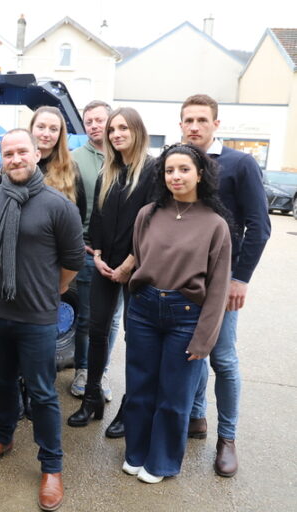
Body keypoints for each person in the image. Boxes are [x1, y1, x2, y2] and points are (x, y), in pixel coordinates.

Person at [0, 129, 84, 512]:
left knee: (42, 392)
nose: (16, 158)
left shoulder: (58, 205)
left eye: (22, 151)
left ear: (37, 154)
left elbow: (72, 262)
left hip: (37, 317)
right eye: (8, 153)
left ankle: (52, 466)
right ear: (2, 159)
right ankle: (2, 437)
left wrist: (50, 292)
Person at [122, 143, 231, 483]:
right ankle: (136, 453)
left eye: (184, 169)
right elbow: (140, 258)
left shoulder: (216, 225)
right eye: (169, 170)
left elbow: (218, 288)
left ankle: (162, 462)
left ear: (200, 174)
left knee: (174, 395)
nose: (176, 176)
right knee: (139, 388)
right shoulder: (148, 215)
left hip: (186, 316)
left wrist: (205, 339)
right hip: (144, 310)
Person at [180, 94, 270, 477]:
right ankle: (197, 417)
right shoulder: (178, 164)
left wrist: (240, 278)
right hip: (186, 279)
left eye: (202, 120)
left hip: (222, 281)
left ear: (216, 124)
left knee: (223, 357)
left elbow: (260, 227)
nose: (195, 126)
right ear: (181, 124)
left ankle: (227, 438)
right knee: (193, 352)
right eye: (188, 120)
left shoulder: (239, 163)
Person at [68, 107, 155, 429]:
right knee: (97, 331)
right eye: (113, 129)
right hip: (106, 265)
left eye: (123, 128)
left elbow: (152, 225)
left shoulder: (152, 170)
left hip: (139, 269)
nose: (117, 134)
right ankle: (92, 398)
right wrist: (100, 255)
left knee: (137, 338)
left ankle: (129, 408)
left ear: (137, 130)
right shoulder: (109, 171)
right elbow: (100, 218)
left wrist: (129, 264)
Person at [69, 101, 122, 400]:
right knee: (88, 318)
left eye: (99, 119)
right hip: (90, 251)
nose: (93, 125)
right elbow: (69, 206)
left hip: (125, 255)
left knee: (114, 319)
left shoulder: (127, 157)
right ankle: (83, 369)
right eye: (88, 121)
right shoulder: (75, 159)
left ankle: (99, 372)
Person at [0, 106, 86, 222]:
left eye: (53, 129)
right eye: (41, 127)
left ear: (60, 134)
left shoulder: (70, 168)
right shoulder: (15, 164)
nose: (46, 134)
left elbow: (80, 213)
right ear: (31, 129)